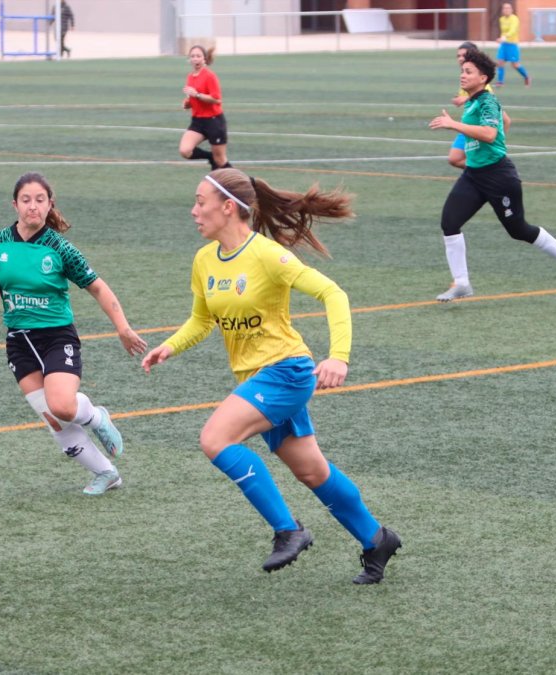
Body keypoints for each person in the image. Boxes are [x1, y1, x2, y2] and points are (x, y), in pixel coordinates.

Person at [140, 168, 401, 584]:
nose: (193, 211)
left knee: (215, 438)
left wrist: (339, 357)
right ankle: (376, 539)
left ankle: (289, 529)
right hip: (259, 378)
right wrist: (170, 345)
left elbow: (333, 293)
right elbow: (201, 320)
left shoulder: (268, 255)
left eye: (200, 201)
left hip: (287, 371)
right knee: (312, 471)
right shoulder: (205, 259)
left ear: (228, 207)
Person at [0, 172, 147, 495]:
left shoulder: (60, 249)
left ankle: (97, 417)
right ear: (14, 204)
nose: (33, 207)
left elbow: (98, 288)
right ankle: (106, 473)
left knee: (64, 407)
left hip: (56, 337)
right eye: (26, 200)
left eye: (40, 200)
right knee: (53, 419)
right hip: (19, 341)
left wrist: (123, 328)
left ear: (49, 204)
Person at [429, 50, 556, 302]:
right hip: (474, 175)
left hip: (499, 177)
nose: (462, 75)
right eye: (462, 71)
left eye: (468, 72)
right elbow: (501, 125)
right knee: (450, 223)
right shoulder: (473, 100)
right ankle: (462, 282)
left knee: (518, 229)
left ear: (483, 77)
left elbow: (489, 134)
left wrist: (453, 124)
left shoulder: (488, 101)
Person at [449, 43, 511, 170]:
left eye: (464, 55)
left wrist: (497, 141)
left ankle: (484, 169)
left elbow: (503, 118)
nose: (460, 58)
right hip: (469, 127)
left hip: (478, 129)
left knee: (455, 159)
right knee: (455, 159)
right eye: (458, 56)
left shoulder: (483, 89)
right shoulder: (466, 80)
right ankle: (479, 171)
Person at [179, 45, 232, 171]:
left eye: (198, 56)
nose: (195, 59)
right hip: (198, 121)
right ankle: (210, 157)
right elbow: (193, 98)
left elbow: (216, 99)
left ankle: (242, 183)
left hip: (214, 121)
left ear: (204, 59)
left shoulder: (209, 76)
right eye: (192, 56)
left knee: (221, 160)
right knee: (185, 150)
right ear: (189, 59)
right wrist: (188, 103)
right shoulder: (190, 76)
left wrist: (196, 95)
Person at [495, 3, 530, 87]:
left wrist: (504, 38)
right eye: (504, 8)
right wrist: (501, 39)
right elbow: (503, 32)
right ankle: (500, 82)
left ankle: (527, 77)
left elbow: (513, 30)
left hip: (512, 44)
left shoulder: (514, 19)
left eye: (508, 8)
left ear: (511, 10)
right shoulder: (502, 19)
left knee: (515, 64)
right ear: (502, 10)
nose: (506, 10)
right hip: (504, 45)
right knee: (500, 62)